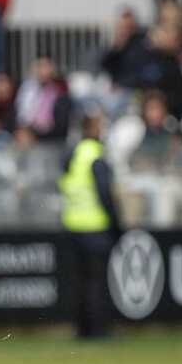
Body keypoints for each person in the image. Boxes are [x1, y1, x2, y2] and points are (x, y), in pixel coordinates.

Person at [58, 112, 123, 340]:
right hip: (95, 227)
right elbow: (105, 194)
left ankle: (81, 329)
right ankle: (98, 330)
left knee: (79, 282)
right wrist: (116, 224)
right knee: (96, 282)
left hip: (72, 224)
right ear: (94, 130)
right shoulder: (96, 156)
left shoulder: (71, 154)